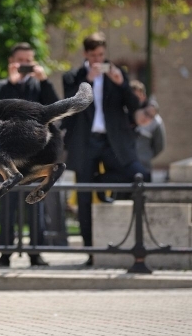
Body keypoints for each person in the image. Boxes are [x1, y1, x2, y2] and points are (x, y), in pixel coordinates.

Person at [62, 32, 144, 262]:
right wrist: (87, 81)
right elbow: (69, 107)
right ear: (85, 54)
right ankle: (90, 252)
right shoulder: (73, 76)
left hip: (111, 142)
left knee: (137, 174)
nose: (98, 59)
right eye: (94, 55)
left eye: (101, 54)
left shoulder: (117, 74)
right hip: (85, 143)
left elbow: (134, 106)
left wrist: (122, 84)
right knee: (84, 199)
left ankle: (100, 181)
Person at [0, 43, 58, 268]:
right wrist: (12, 83)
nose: (26, 65)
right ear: (11, 62)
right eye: (21, 61)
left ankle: (36, 253)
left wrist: (45, 81)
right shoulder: (2, 86)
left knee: (35, 204)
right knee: (8, 206)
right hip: (8, 156)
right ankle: (5, 253)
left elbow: (55, 109)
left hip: (35, 155)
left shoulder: (39, 86)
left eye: (29, 61)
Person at [130, 81, 166, 177]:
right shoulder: (124, 115)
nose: (147, 119)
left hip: (143, 166)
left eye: (140, 96)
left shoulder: (155, 122)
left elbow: (159, 146)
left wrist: (146, 155)